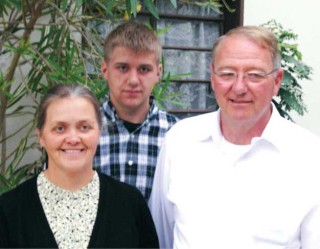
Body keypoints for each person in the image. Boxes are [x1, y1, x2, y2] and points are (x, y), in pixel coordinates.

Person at [149, 26, 320, 249]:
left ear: (277, 81)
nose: (239, 87)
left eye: (254, 75)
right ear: (212, 78)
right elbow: (161, 237)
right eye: (227, 74)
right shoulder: (180, 142)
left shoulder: (309, 156)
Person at [0, 84, 159, 248]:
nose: (73, 138)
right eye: (60, 128)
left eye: (84, 127)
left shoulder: (131, 204)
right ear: (41, 136)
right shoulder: (9, 210)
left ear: (99, 132)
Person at [93, 21, 178, 201]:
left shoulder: (177, 134)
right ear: (104, 69)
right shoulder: (85, 130)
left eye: (144, 69)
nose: (133, 80)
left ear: (158, 72)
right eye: (123, 68)